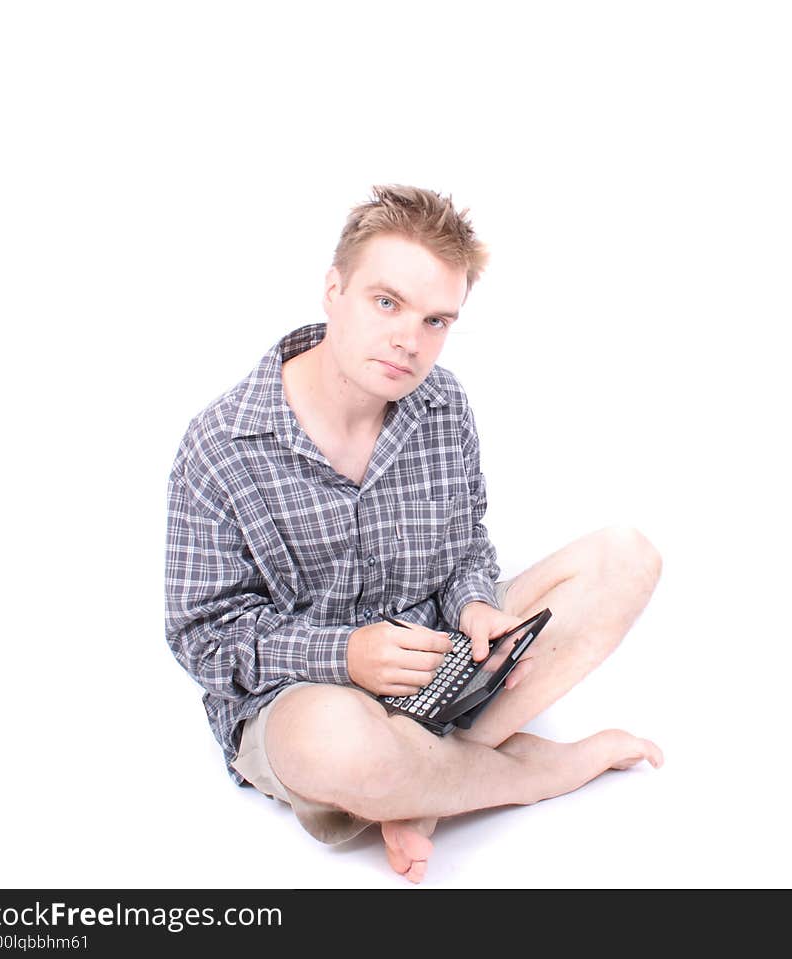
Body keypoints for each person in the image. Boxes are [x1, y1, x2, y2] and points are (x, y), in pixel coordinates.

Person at [165, 184, 664, 884]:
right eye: (387, 302)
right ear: (333, 290)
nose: (409, 339)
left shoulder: (442, 404)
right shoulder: (220, 444)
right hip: (306, 697)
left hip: (441, 663)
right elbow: (201, 635)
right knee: (337, 745)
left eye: (436, 320)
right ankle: (530, 773)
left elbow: (464, 547)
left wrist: (473, 606)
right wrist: (346, 654)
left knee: (626, 556)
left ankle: (415, 791)